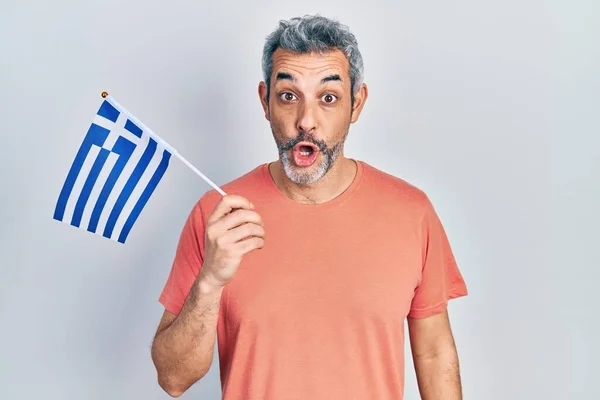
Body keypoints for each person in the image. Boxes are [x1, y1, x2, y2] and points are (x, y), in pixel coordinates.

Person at [151, 14, 468, 399]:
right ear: (265, 102)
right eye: (288, 96)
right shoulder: (219, 216)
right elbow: (172, 378)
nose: (306, 121)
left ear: (357, 103)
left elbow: (435, 353)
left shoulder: (412, 212)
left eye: (328, 98)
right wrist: (210, 281)